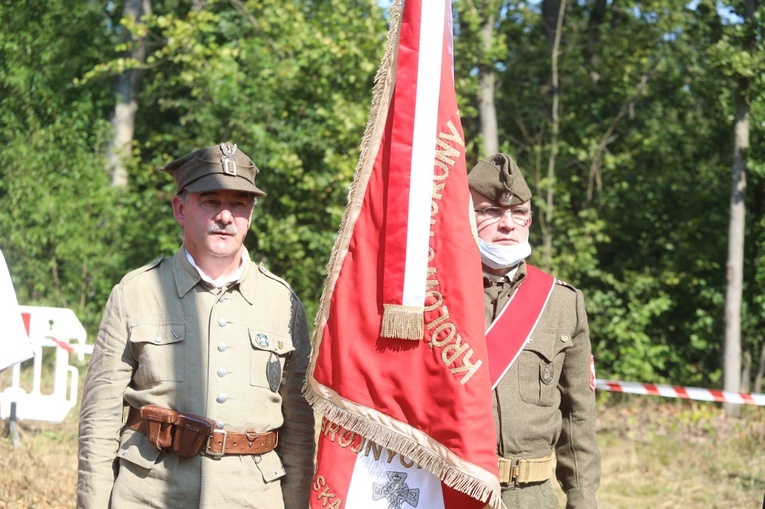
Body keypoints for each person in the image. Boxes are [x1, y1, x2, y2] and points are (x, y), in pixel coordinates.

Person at [77, 142, 315, 509]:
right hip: (151, 494)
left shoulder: (282, 303)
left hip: (250, 497)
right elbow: (99, 420)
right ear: (180, 208)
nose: (225, 216)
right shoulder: (136, 293)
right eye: (210, 201)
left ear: (250, 214)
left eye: (238, 204)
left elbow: (298, 431)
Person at [468, 153, 601, 508]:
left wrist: (582, 499)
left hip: (533, 498)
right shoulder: (434, 298)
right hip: (451, 491)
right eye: (490, 212)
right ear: (465, 216)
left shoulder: (561, 302)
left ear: (530, 220)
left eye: (518, 213)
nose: (508, 224)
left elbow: (578, 415)